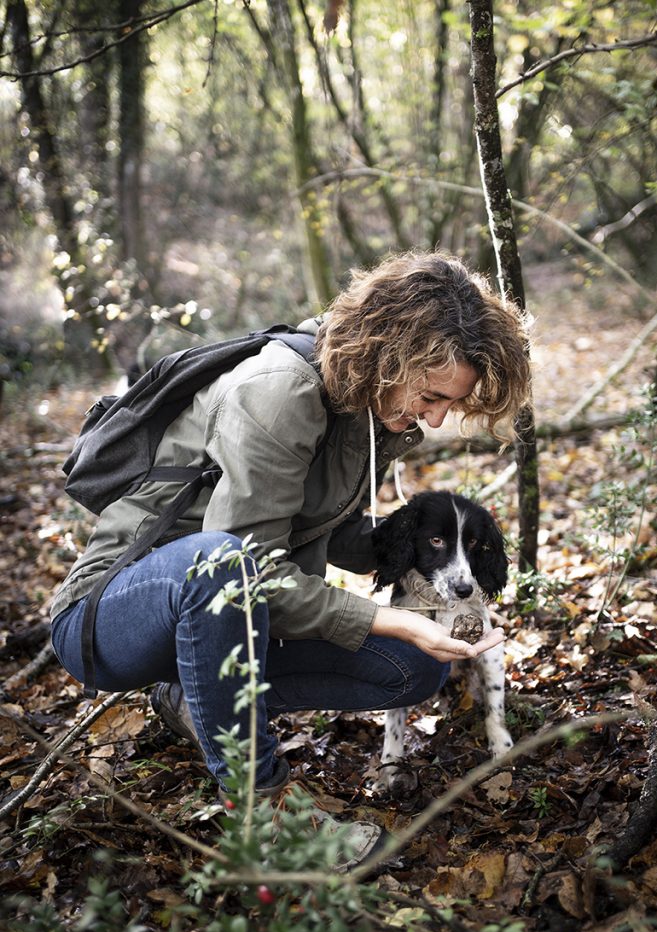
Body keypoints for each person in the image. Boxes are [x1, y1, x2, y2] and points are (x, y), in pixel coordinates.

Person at [50, 250, 530, 828]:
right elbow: (247, 569)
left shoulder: (364, 409)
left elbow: (329, 532)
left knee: (413, 668)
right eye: (431, 398)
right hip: (109, 616)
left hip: (231, 619)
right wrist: (390, 617)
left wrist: (436, 550)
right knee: (221, 563)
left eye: (449, 404)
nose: (433, 420)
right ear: (388, 355)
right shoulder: (280, 391)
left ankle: (189, 701)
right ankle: (265, 811)